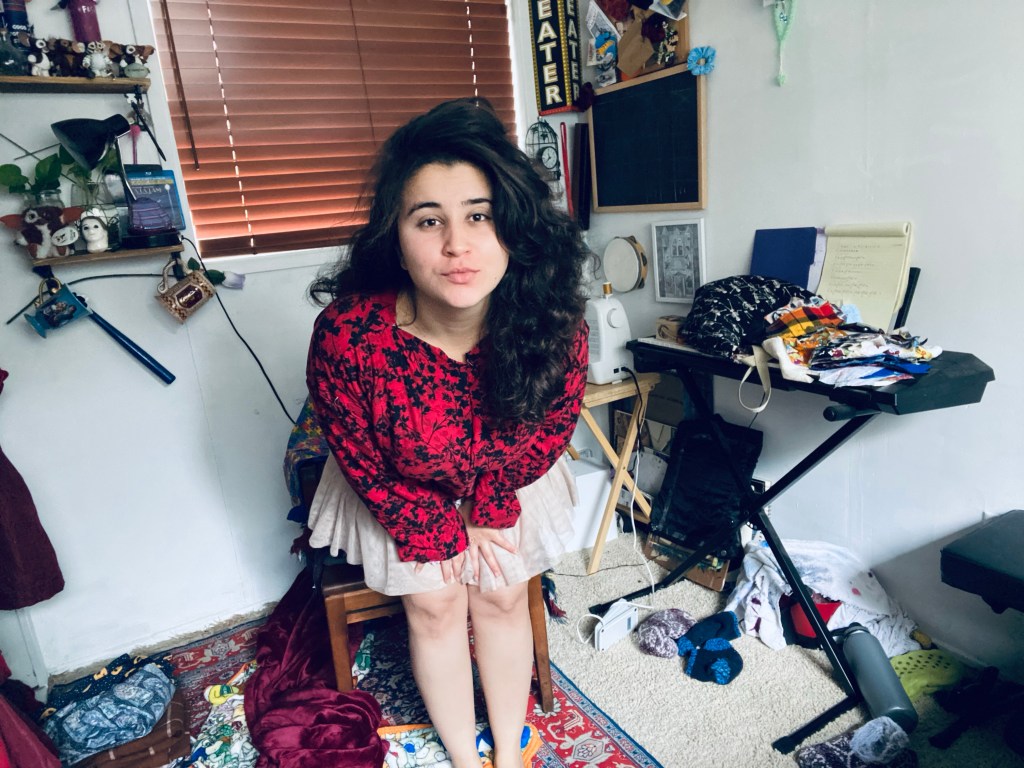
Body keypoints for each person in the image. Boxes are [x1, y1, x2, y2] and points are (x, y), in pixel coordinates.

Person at [306, 97, 591, 768]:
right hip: (395, 485)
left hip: (505, 475)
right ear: (397, 240)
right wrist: (437, 525)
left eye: (479, 216)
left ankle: (509, 747)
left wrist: (488, 504)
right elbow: (361, 458)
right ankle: (465, 757)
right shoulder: (348, 335)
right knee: (433, 605)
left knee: (501, 593)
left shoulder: (555, 323)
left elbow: (550, 430)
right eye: (429, 220)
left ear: (513, 230)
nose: (457, 245)